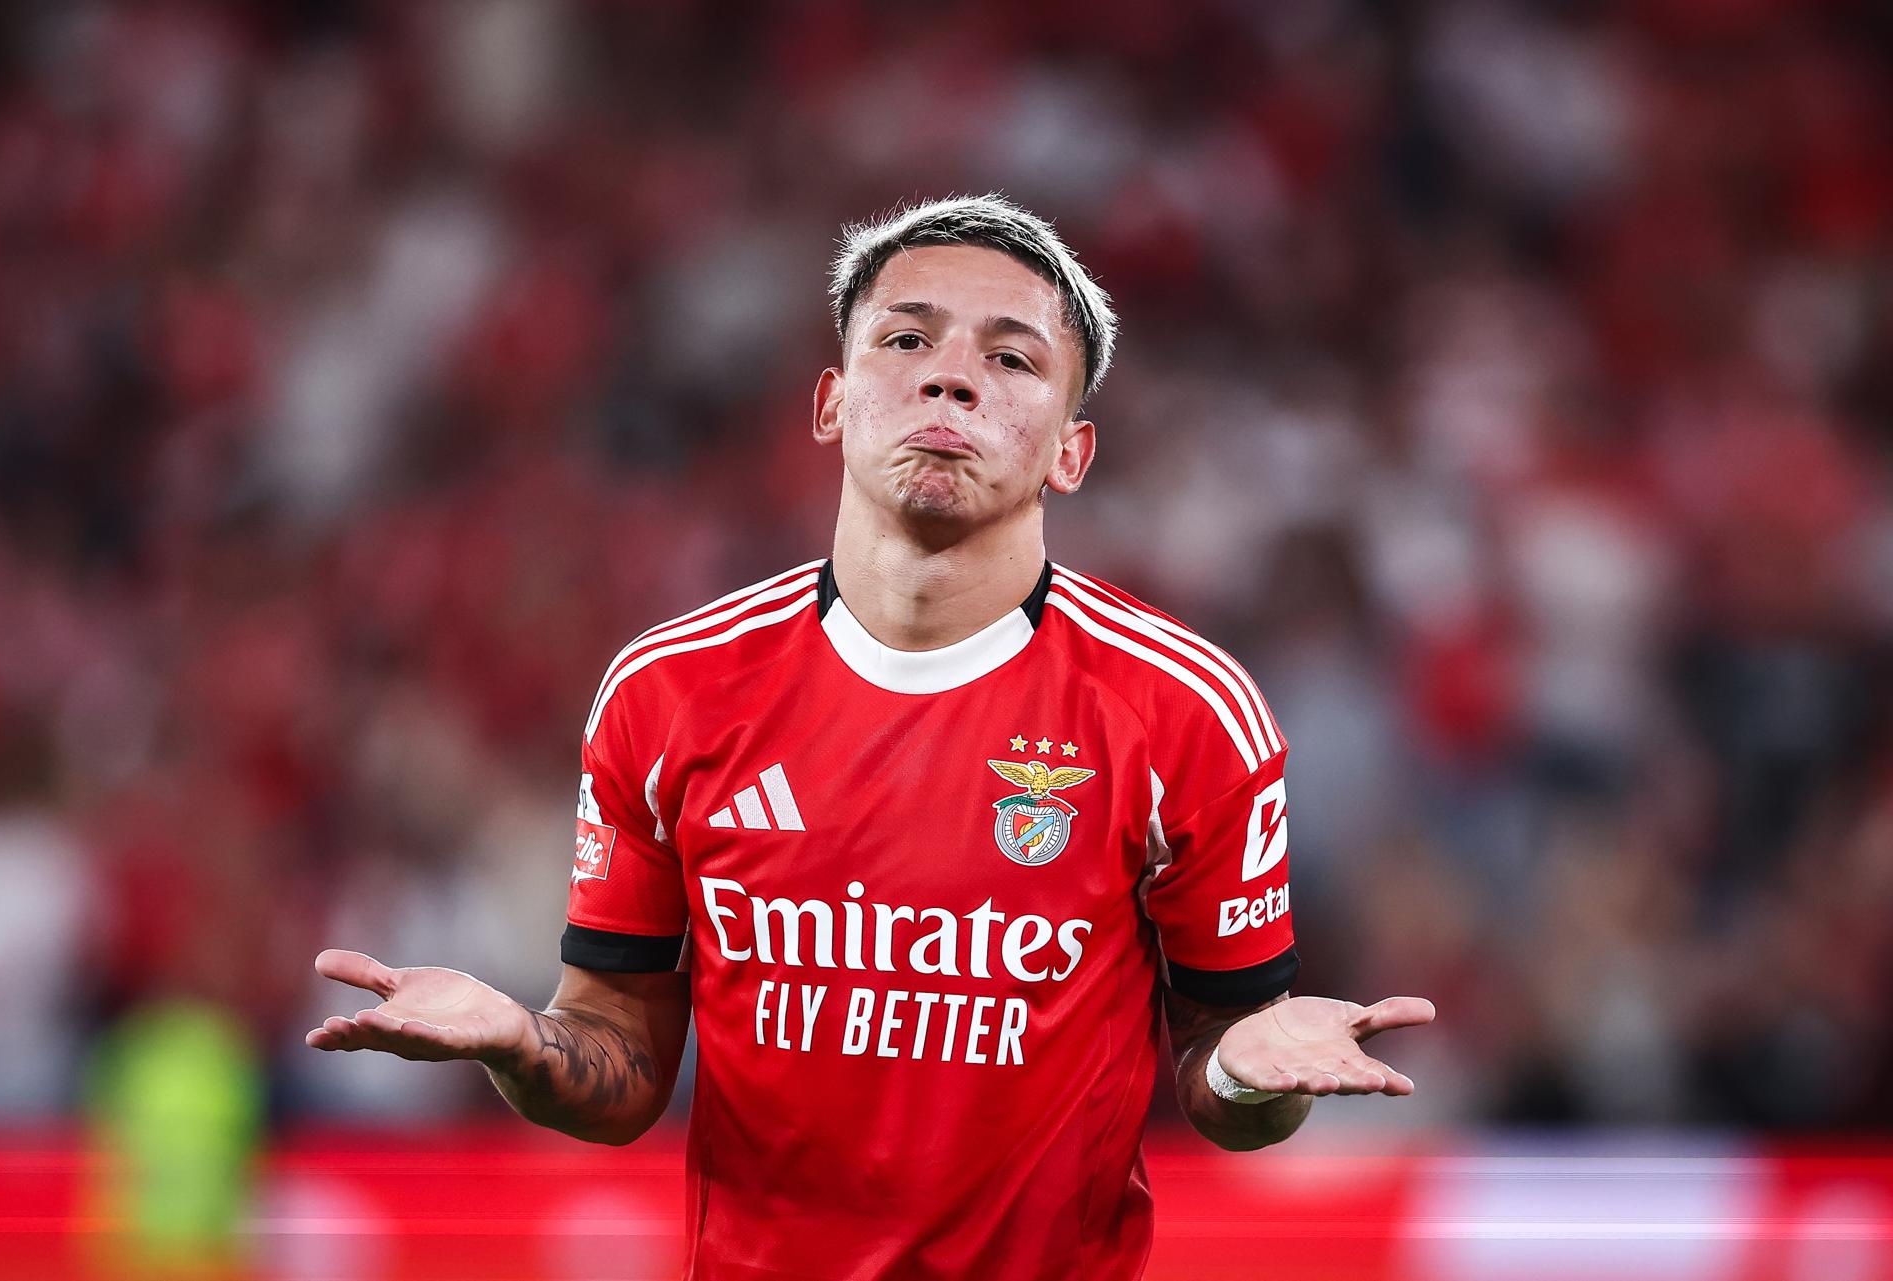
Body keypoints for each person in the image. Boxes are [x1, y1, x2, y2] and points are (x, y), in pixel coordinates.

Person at [307, 193, 1436, 1279]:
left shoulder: (1185, 712)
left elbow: (1227, 1078)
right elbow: (623, 1065)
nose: (951, 374)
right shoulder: (671, 692)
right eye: (907, 339)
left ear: (1070, 453)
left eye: (1011, 358)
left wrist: (1248, 1075)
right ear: (833, 402)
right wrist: (519, 1045)